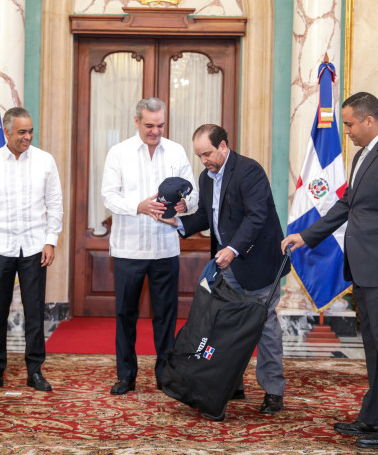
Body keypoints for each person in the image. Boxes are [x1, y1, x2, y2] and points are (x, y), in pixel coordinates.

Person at [282, 92, 378, 449]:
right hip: (364, 271)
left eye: (349, 124)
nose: (347, 131)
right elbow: (347, 204)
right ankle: (374, 418)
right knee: (374, 349)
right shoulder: (364, 154)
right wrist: (306, 236)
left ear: (369, 120)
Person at [159, 123, 289, 419]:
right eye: (199, 156)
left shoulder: (249, 171)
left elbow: (256, 217)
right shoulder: (206, 178)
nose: (203, 161)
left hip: (257, 262)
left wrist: (233, 249)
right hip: (227, 265)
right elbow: (207, 217)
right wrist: (177, 222)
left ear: (223, 146)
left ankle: (273, 391)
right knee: (226, 326)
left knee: (264, 326)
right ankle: (231, 384)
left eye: (207, 154)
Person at [102, 97, 198, 395]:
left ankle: (164, 376)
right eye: (149, 126)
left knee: (166, 317)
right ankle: (126, 376)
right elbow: (108, 196)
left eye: (160, 125)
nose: (155, 131)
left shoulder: (177, 151)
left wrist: (185, 204)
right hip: (128, 249)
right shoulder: (119, 152)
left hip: (165, 249)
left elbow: (193, 194)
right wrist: (139, 206)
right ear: (136, 122)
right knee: (125, 315)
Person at [0, 107, 64, 393]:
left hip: (35, 247)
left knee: (34, 312)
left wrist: (50, 240)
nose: (28, 137)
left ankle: (34, 371)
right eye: (22, 132)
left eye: (30, 131)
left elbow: (55, 204)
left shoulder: (45, 161)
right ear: (6, 132)